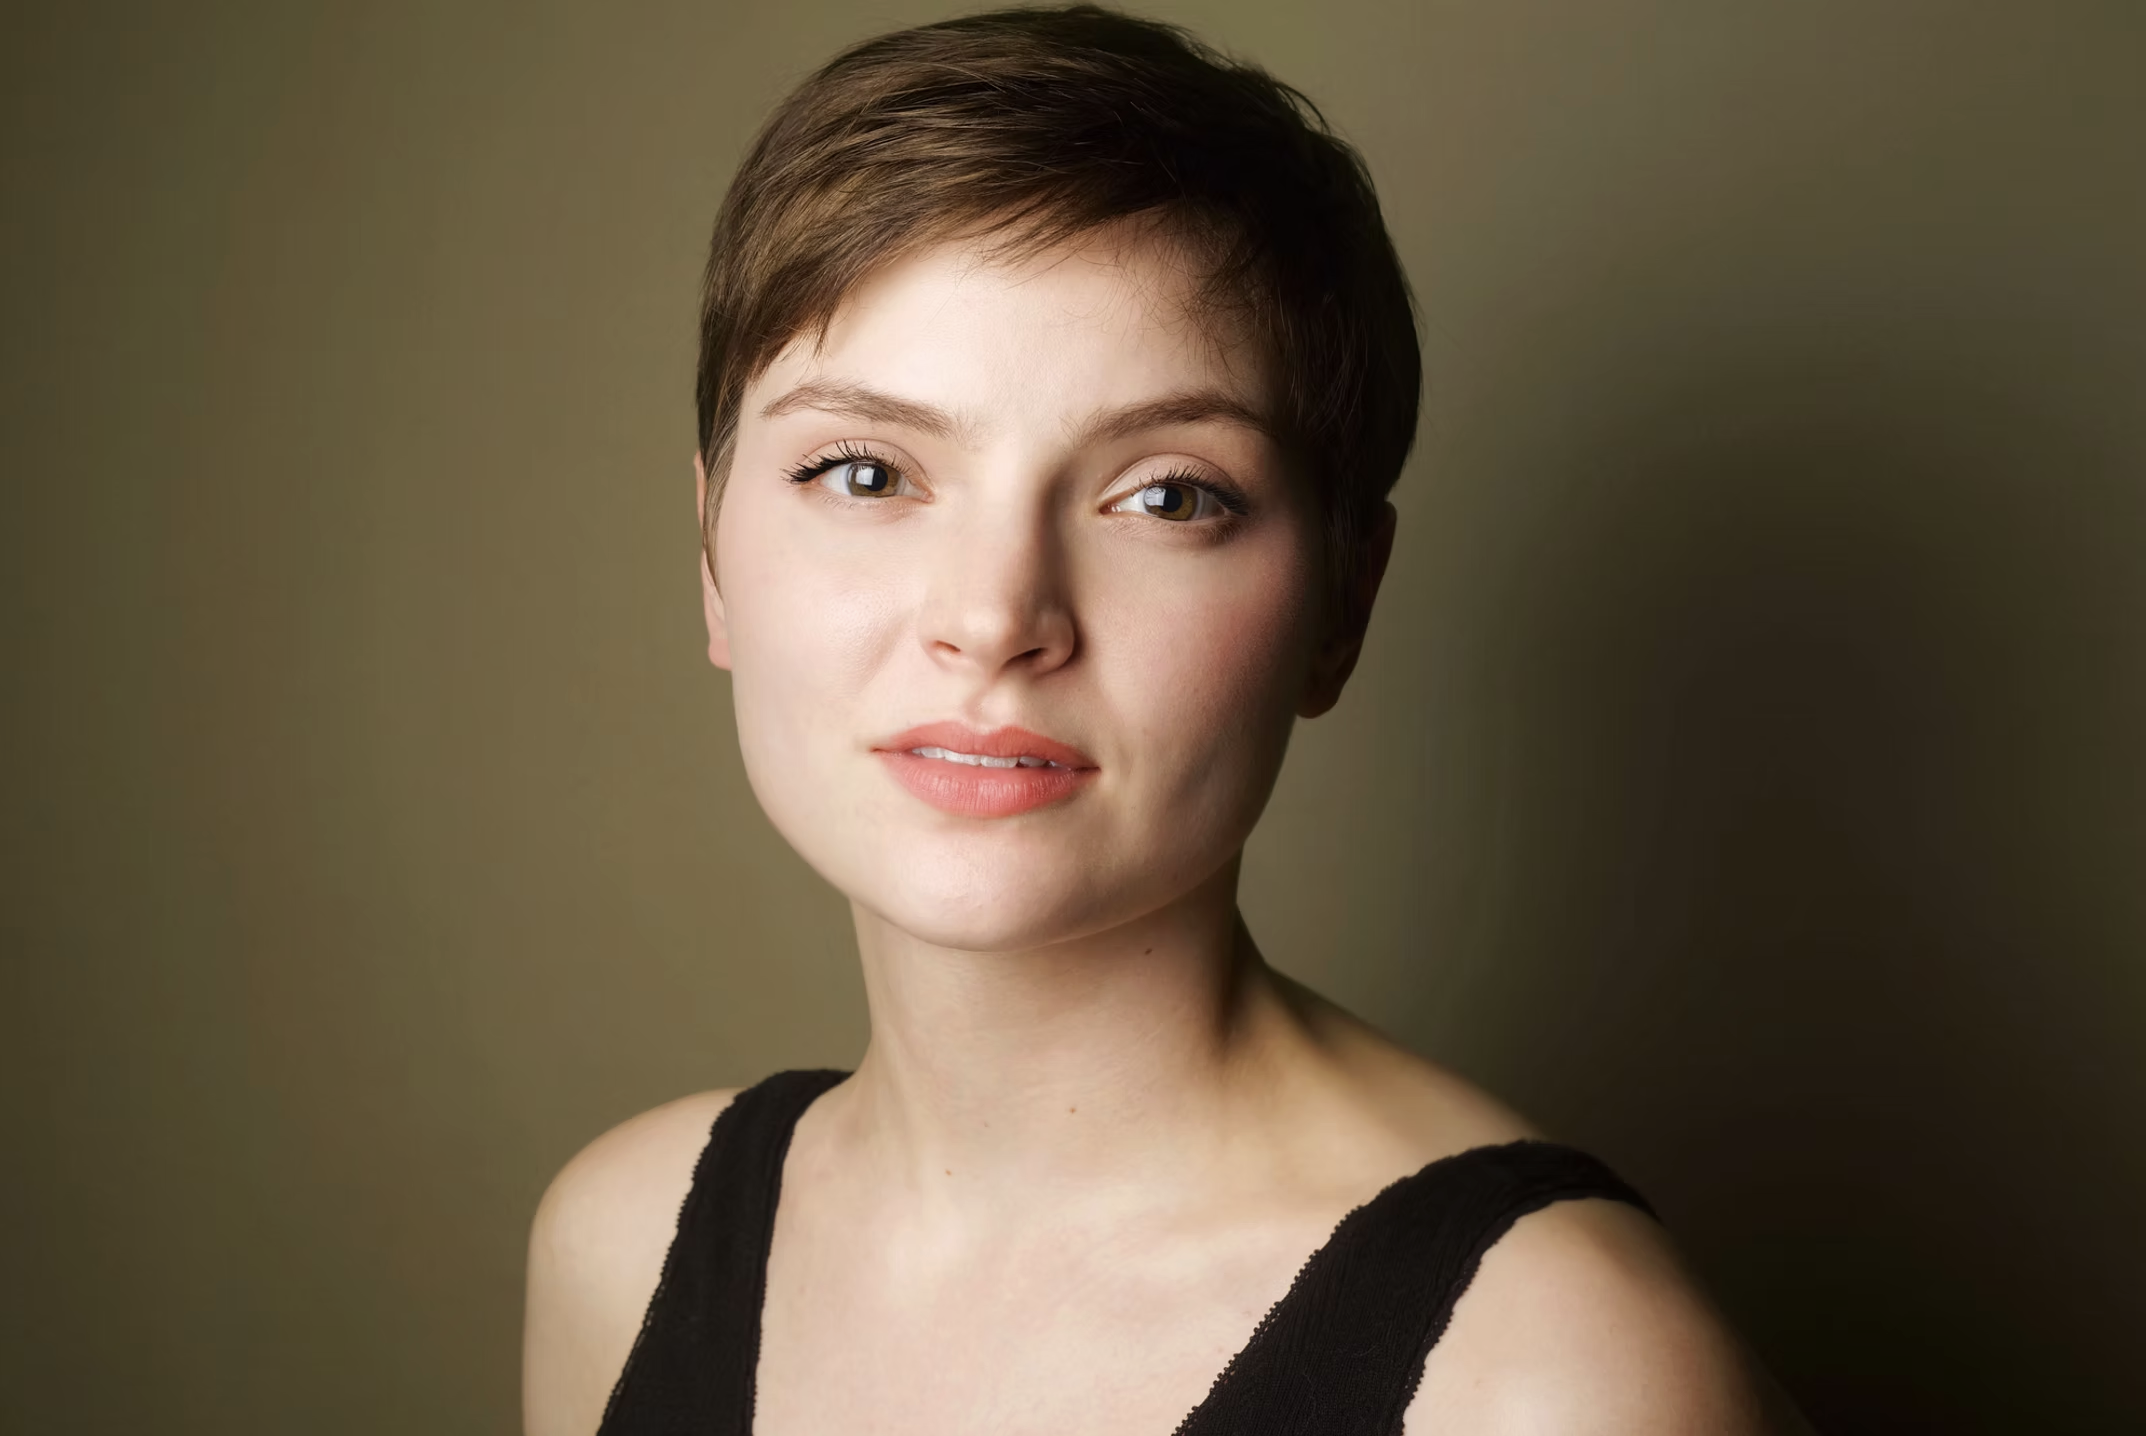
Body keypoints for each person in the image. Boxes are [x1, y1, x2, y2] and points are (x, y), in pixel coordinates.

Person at [524, 8, 1809, 1433]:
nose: (996, 615)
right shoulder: (621, 1243)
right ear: (710, 555)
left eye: (1166, 495)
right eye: (866, 474)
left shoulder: (1554, 1371)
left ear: (1341, 602)